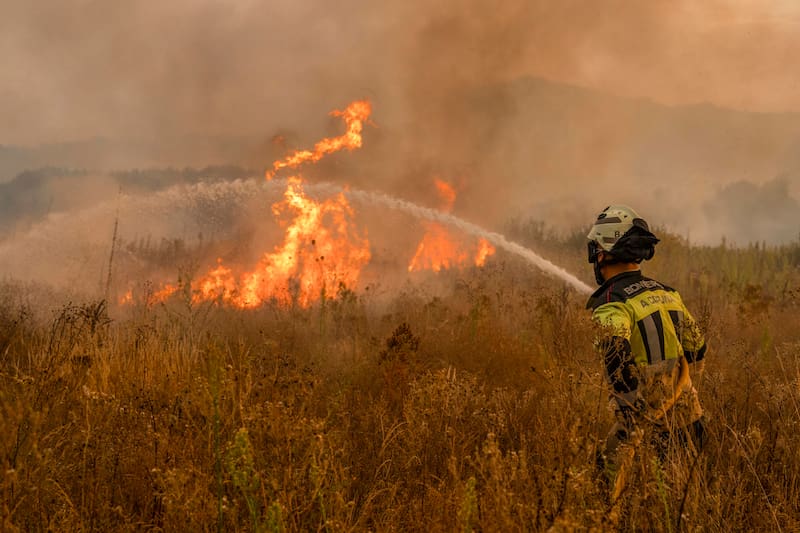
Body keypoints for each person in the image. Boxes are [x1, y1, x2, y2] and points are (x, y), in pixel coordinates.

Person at [585, 205, 707, 502]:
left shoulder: (611, 300)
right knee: (683, 504)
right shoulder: (667, 292)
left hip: (643, 428)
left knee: (606, 494)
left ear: (602, 252)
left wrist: (631, 412)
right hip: (691, 421)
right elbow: (697, 348)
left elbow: (615, 353)